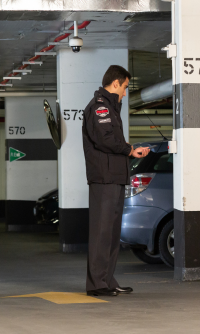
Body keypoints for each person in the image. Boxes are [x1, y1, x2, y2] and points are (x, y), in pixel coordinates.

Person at [82, 65, 149, 297]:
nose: (125, 92)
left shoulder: (111, 108)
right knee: (102, 232)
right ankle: (96, 284)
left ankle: (107, 280)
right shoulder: (100, 108)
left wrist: (130, 151)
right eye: (125, 87)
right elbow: (106, 140)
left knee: (110, 233)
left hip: (114, 178)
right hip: (104, 179)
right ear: (116, 84)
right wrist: (130, 150)